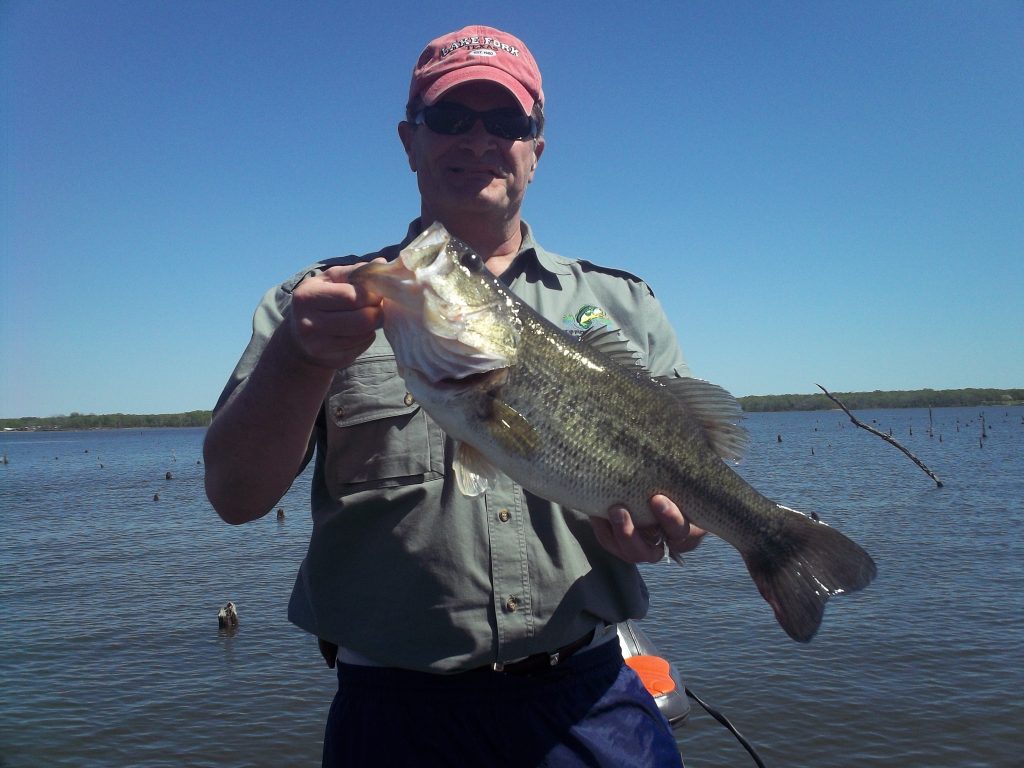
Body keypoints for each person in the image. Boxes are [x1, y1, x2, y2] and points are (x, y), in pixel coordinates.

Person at [205, 24, 705, 768]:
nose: (477, 139)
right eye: (449, 118)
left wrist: (677, 529)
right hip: (396, 715)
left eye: (506, 121)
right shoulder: (319, 303)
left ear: (537, 148)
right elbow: (236, 497)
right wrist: (295, 360)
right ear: (410, 141)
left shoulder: (622, 304)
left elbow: (689, 495)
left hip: (590, 695)